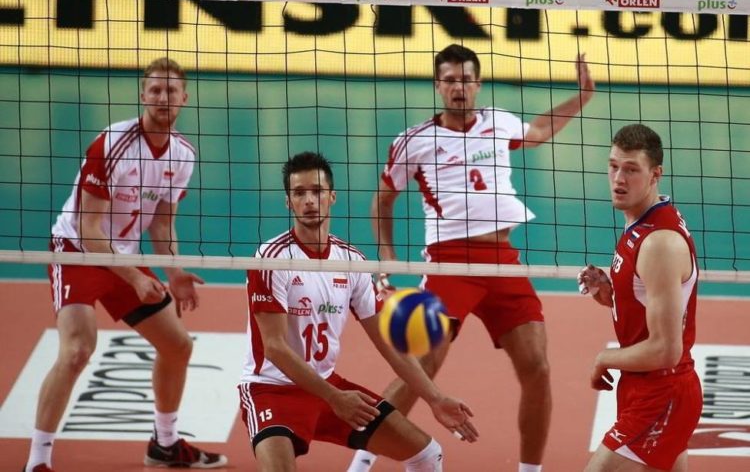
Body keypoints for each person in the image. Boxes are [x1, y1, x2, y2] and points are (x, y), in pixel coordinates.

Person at [349, 44, 595, 472]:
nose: (458, 87)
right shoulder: (415, 140)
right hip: (450, 263)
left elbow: (539, 131)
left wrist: (584, 95)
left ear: (477, 84)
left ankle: (530, 470)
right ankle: (361, 462)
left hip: (503, 261)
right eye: (449, 80)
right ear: (437, 86)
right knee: (423, 365)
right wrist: (387, 260)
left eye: (465, 79)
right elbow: (382, 200)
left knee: (537, 367)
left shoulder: (498, 122)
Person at [25, 58, 227, 472]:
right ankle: (37, 461)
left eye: (171, 91)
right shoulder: (112, 143)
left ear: (185, 99)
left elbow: (162, 223)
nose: (163, 98)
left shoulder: (183, 155)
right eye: (155, 90)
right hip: (78, 251)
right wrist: (134, 276)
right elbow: (89, 227)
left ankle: (164, 445)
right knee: (77, 350)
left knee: (178, 345)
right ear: (142, 95)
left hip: (124, 254)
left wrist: (174, 272)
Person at [240, 151, 478, 471]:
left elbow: (388, 343)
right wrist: (334, 397)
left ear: (332, 197)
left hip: (327, 384)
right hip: (272, 390)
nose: (309, 200)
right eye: (299, 193)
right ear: (288, 202)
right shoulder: (270, 259)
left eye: (317, 191)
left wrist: (435, 398)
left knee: (427, 453)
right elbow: (275, 348)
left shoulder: (350, 261)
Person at [577, 124, 702, 472]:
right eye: (613, 166)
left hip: (661, 393)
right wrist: (612, 293)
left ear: (655, 175)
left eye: (631, 169)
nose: (619, 178)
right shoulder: (641, 221)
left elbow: (665, 350)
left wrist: (604, 358)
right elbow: (649, 299)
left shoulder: (659, 243)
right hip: (645, 386)